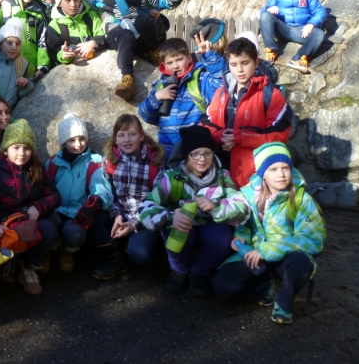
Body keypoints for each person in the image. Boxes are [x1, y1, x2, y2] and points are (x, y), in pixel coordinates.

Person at [213, 142, 326, 325]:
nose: (281, 174)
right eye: (273, 169)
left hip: (285, 256)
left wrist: (267, 250)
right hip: (257, 254)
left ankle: (284, 299)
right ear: (262, 174)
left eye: (285, 168)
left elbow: (313, 240)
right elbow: (245, 224)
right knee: (223, 286)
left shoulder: (302, 199)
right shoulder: (251, 195)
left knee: (300, 263)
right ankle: (266, 286)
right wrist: (242, 236)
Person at [137, 126, 247, 296]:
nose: (202, 159)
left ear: (213, 154)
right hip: (181, 225)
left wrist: (216, 207)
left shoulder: (222, 177)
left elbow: (241, 206)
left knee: (222, 237)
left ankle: (200, 273)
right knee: (179, 230)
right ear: (186, 155)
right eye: (195, 154)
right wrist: (170, 217)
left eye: (207, 153)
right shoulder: (173, 178)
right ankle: (179, 271)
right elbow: (146, 207)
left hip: (208, 224)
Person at [0, 119, 61, 294]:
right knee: (6, 271)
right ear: (5, 149)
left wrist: (39, 206)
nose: (22, 153)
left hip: (30, 223)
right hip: (7, 229)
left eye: (27, 148)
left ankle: (29, 267)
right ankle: (9, 265)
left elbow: (55, 196)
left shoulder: (37, 169)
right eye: (16, 147)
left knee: (50, 224)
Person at [203, 38, 292, 188]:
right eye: (234, 64)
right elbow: (206, 123)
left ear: (256, 63)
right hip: (220, 170)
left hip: (255, 175)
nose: (239, 69)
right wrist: (221, 136)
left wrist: (239, 137)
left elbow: (280, 134)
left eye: (245, 63)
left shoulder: (271, 94)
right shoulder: (220, 93)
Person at [94, 0, 183, 97]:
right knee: (125, 34)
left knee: (145, 18)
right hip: (118, 35)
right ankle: (127, 78)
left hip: (140, 34)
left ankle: (156, 52)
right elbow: (94, 6)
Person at [44, 113, 119, 279]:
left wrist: (95, 201)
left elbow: (101, 187)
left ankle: (67, 251)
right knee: (48, 224)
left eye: (81, 139)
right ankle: (48, 250)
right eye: (72, 140)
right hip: (55, 209)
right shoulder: (53, 163)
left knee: (75, 233)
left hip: (77, 212)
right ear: (64, 142)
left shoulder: (93, 161)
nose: (78, 144)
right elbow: (45, 187)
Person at [138, 36, 225, 158]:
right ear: (164, 65)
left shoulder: (200, 79)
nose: (175, 66)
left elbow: (222, 83)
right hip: (166, 152)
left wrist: (209, 55)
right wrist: (157, 97)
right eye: (170, 63)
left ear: (189, 58)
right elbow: (146, 116)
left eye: (179, 60)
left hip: (195, 150)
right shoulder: (160, 85)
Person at [103, 114, 166, 270]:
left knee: (141, 255)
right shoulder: (109, 160)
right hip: (117, 212)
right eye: (121, 135)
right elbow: (107, 192)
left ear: (141, 136)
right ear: (115, 139)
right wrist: (117, 214)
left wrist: (133, 224)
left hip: (143, 215)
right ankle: (115, 256)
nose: (127, 140)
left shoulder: (155, 162)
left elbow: (156, 200)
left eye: (132, 134)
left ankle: (130, 251)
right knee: (95, 223)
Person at [45, 0, 111, 91]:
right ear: (59, 3)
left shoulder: (91, 16)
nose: (73, 4)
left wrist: (93, 43)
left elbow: (103, 34)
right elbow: (55, 51)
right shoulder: (54, 25)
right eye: (68, 0)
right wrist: (63, 55)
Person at [259, 0, 327, 73]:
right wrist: (269, 9)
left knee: (319, 33)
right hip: (282, 29)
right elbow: (263, 11)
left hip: (301, 31)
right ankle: (271, 51)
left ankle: (298, 59)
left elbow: (320, 11)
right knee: (265, 16)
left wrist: (311, 24)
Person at [0, 18, 35, 109]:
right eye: (9, 43)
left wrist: (26, 85)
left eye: (18, 44)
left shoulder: (26, 65)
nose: (14, 47)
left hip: (10, 113)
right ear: (0, 43)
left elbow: (23, 92)